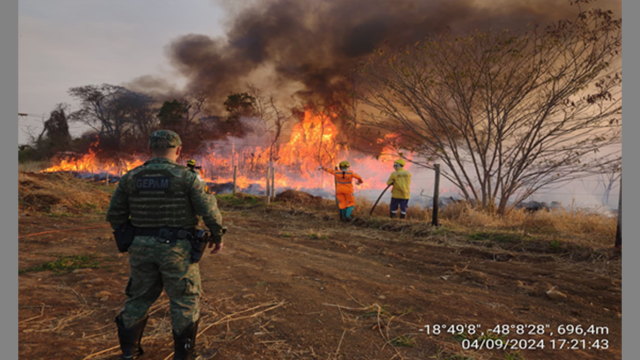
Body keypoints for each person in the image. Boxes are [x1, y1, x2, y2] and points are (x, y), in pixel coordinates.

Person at [106, 130, 225, 360]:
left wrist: (132, 238)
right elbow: (209, 212)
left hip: (141, 248)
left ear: (150, 148)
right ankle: (184, 355)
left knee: (138, 297)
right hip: (178, 250)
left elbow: (115, 215)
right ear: (179, 150)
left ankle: (129, 354)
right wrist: (217, 236)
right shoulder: (187, 177)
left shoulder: (131, 177)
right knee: (184, 300)